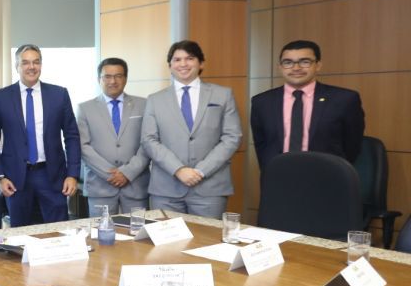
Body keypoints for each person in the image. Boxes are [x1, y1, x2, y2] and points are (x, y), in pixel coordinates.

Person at [141, 41, 241, 217]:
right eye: (177, 59)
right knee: (166, 236)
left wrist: (201, 171)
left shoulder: (223, 95)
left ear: (201, 63)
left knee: (208, 235)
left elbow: (232, 137)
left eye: (189, 58)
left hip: (210, 188)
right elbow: (149, 140)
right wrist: (178, 170)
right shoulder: (155, 99)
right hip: (166, 189)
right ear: (170, 66)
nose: (183, 64)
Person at [0, 44, 80, 227]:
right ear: (16, 66)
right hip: (15, 179)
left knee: (59, 232)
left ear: (41, 65)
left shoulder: (59, 95)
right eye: (25, 62)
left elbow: (72, 136)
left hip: (52, 176)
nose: (31, 67)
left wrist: (72, 175)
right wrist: (0, 177)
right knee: (20, 235)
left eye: (36, 62)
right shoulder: (1, 98)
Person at [250, 39, 364, 172]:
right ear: (280, 67)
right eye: (288, 62)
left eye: (304, 62)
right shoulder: (262, 102)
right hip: (278, 176)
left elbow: (352, 145)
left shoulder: (344, 99)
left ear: (318, 65)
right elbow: (261, 145)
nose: (296, 68)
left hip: (327, 176)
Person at [76, 58, 149, 215]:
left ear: (125, 78)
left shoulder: (144, 105)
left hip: (136, 184)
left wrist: (127, 172)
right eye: (107, 76)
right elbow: (83, 146)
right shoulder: (85, 108)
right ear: (99, 79)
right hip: (100, 186)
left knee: (137, 229)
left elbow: (148, 142)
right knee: (101, 230)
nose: (113, 81)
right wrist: (111, 174)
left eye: (118, 76)